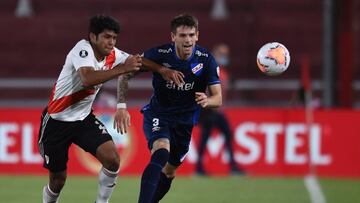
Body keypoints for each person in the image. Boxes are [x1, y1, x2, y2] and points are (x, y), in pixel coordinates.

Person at [37, 14, 183, 203]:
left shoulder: (114, 55)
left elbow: (137, 61)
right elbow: (87, 78)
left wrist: (162, 70)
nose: (111, 42)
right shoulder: (81, 50)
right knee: (58, 180)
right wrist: (123, 69)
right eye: (106, 37)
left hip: (83, 120)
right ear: (93, 37)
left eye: (114, 38)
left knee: (113, 159)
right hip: (57, 121)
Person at [115, 13, 222, 203]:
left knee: (170, 171)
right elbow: (125, 74)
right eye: (182, 35)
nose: (187, 40)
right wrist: (121, 106)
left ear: (197, 35)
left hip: (185, 121)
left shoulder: (206, 60)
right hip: (159, 114)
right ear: (173, 37)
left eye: (191, 35)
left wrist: (207, 100)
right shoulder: (159, 55)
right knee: (161, 151)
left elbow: (218, 98)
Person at [195, 43, 244, 176]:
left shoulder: (223, 72)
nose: (225, 57)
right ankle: (200, 168)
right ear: (215, 54)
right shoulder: (209, 69)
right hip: (210, 111)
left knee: (225, 135)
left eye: (226, 54)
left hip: (218, 111)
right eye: (222, 54)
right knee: (207, 138)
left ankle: (231, 166)